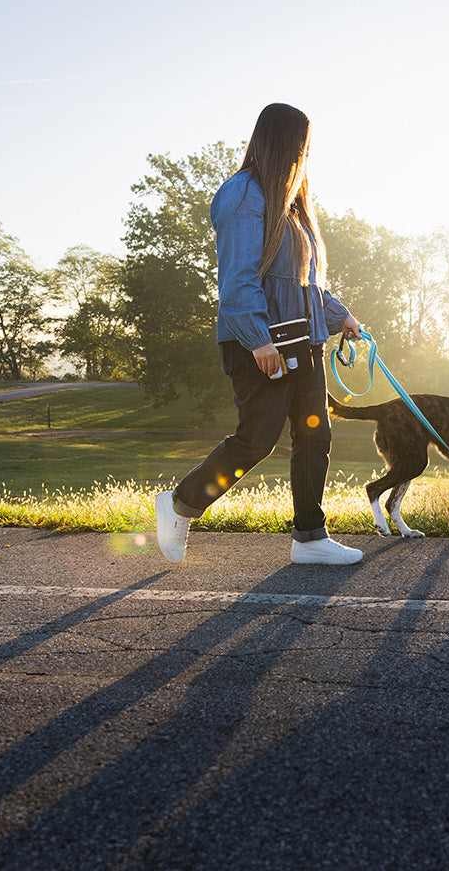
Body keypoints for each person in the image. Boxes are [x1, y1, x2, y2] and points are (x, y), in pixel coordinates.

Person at [154, 103, 364, 566]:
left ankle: (309, 538)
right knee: (257, 440)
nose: (304, 156)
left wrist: (341, 316)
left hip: (303, 343)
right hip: (260, 345)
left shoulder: (294, 207)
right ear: (280, 143)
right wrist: (258, 339)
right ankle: (180, 503)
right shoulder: (243, 194)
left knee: (315, 437)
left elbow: (305, 284)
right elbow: (238, 279)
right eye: (300, 146)